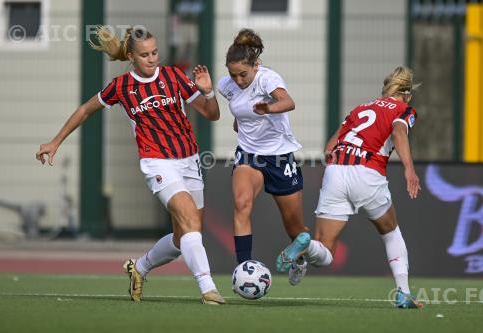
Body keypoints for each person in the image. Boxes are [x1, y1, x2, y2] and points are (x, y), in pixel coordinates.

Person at [35, 26, 225, 305]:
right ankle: (208, 289)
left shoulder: (174, 77)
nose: (152, 59)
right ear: (132, 57)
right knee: (189, 221)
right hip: (156, 162)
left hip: (189, 160)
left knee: (183, 235)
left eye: (155, 52)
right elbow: (86, 109)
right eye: (145, 55)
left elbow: (212, 115)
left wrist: (208, 93)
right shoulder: (121, 86)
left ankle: (140, 268)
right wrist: (55, 142)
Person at [293, 66, 423, 308]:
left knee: (324, 252)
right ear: (407, 95)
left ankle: (305, 244)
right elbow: (398, 132)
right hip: (368, 172)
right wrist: (409, 169)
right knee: (391, 232)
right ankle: (403, 293)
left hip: (336, 171)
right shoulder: (404, 110)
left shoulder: (360, 108)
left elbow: (329, 149)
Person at [216, 29, 310, 283]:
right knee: (241, 203)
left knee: (294, 227)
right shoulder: (226, 86)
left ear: (256, 66)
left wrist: (267, 108)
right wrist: (240, 121)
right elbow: (239, 110)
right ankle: (244, 270)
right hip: (249, 155)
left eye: (243, 74)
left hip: (279, 157)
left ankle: (299, 258)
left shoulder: (267, 78)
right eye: (232, 74)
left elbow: (288, 102)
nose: (237, 80)